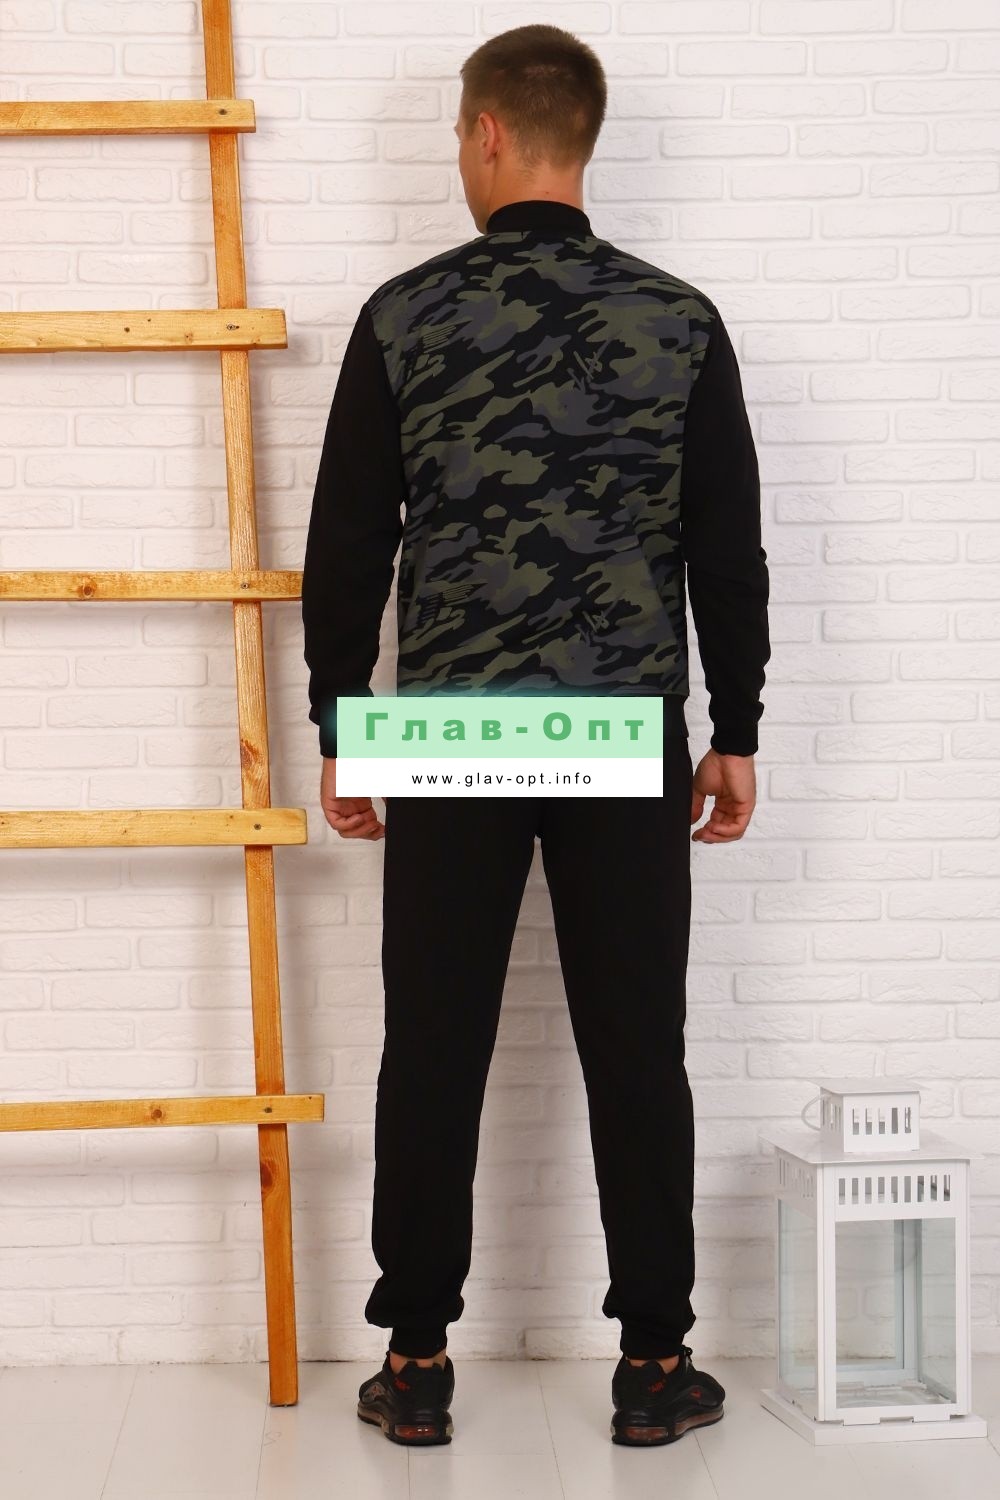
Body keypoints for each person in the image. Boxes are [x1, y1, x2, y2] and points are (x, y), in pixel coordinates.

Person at [301, 23, 769, 1449]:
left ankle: (417, 1362)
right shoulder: (678, 320)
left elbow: (347, 544)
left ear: (490, 133)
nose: (459, 154)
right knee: (638, 1046)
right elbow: (727, 548)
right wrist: (735, 726)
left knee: (432, 1042)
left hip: (448, 730)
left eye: (458, 133)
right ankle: (654, 1365)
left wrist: (342, 723)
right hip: (622, 729)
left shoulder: (404, 316)